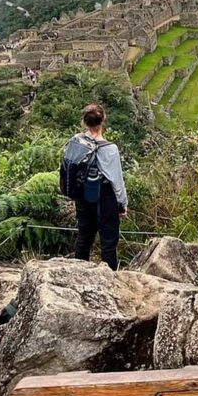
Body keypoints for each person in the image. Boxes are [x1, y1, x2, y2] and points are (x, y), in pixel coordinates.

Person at [66, 104, 128, 271]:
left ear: (84, 122)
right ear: (103, 120)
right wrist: (122, 204)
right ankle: (110, 279)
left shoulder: (76, 141)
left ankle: (79, 273)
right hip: (105, 197)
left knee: (84, 236)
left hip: (83, 195)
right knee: (108, 241)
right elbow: (116, 180)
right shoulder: (110, 149)